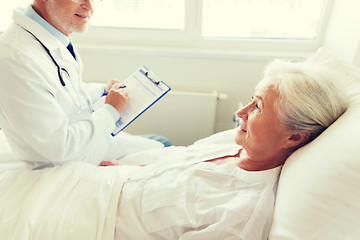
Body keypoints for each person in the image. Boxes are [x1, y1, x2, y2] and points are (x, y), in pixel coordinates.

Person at [100, 59, 349, 239]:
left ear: (294, 137)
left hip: (98, 222)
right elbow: (174, 166)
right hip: (110, 182)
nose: (240, 112)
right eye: (251, 99)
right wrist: (127, 170)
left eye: (258, 107)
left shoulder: (239, 217)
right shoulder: (232, 142)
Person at [0, 0, 170, 170]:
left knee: (160, 141)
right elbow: (58, 146)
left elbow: (60, 90)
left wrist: (102, 92)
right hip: (66, 161)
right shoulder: (16, 57)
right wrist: (110, 111)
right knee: (163, 145)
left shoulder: (53, 34)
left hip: (85, 141)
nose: (90, 7)